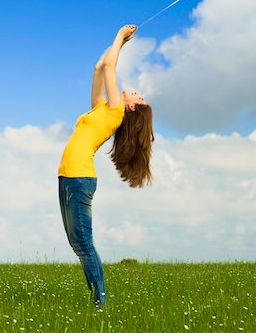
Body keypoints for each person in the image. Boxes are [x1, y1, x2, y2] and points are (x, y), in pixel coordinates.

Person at [57, 24, 154, 308]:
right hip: (67, 178)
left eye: (139, 97)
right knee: (78, 245)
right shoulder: (102, 108)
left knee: (84, 244)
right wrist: (119, 46)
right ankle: (97, 299)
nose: (136, 93)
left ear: (132, 108)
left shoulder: (115, 111)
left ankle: (100, 303)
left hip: (80, 179)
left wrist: (120, 37)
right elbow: (101, 67)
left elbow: (111, 66)